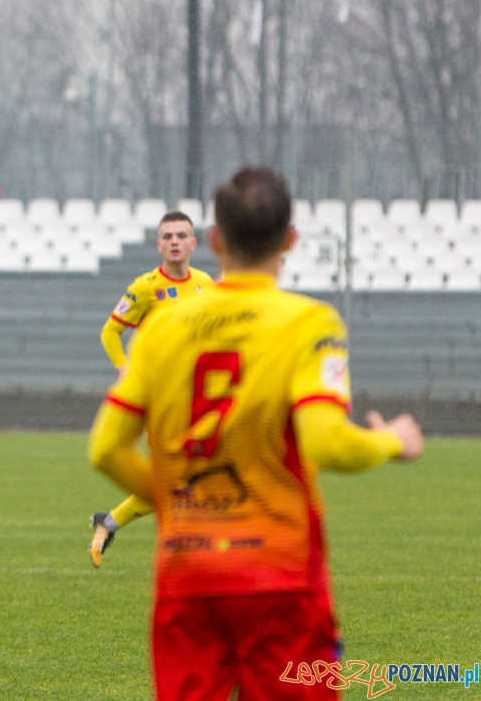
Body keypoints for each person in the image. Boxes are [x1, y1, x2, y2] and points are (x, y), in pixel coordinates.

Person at [87, 166, 423, 701]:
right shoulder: (311, 322)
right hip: (278, 571)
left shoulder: (161, 330)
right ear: (290, 239)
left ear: (214, 242)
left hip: (187, 571)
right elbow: (328, 443)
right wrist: (393, 440)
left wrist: (177, 504)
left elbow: (105, 448)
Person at [89, 209, 215, 566]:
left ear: (193, 242)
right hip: (162, 399)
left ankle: (109, 523)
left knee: (185, 479)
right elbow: (109, 332)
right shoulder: (144, 288)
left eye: (181, 235)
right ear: (159, 245)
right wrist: (125, 370)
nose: (175, 241)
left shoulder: (206, 283)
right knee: (184, 479)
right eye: (168, 236)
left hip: (198, 396)